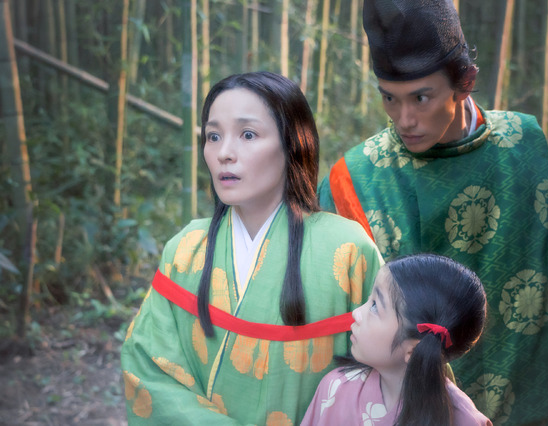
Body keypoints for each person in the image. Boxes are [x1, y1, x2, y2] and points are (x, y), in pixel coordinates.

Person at [317, 0, 548, 424]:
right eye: (389, 99)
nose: (404, 119)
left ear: (464, 82)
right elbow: (338, 317)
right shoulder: (355, 178)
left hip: (534, 397)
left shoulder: (524, 147)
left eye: (421, 97)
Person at [121, 71, 383, 425]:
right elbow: (148, 368)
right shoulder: (184, 249)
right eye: (213, 136)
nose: (224, 153)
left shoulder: (348, 250)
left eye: (247, 134)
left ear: (293, 143)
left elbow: (396, 373)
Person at [302, 253, 492, 426]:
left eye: (375, 306)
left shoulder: (468, 421)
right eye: (369, 299)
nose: (356, 313)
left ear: (412, 350)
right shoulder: (335, 388)